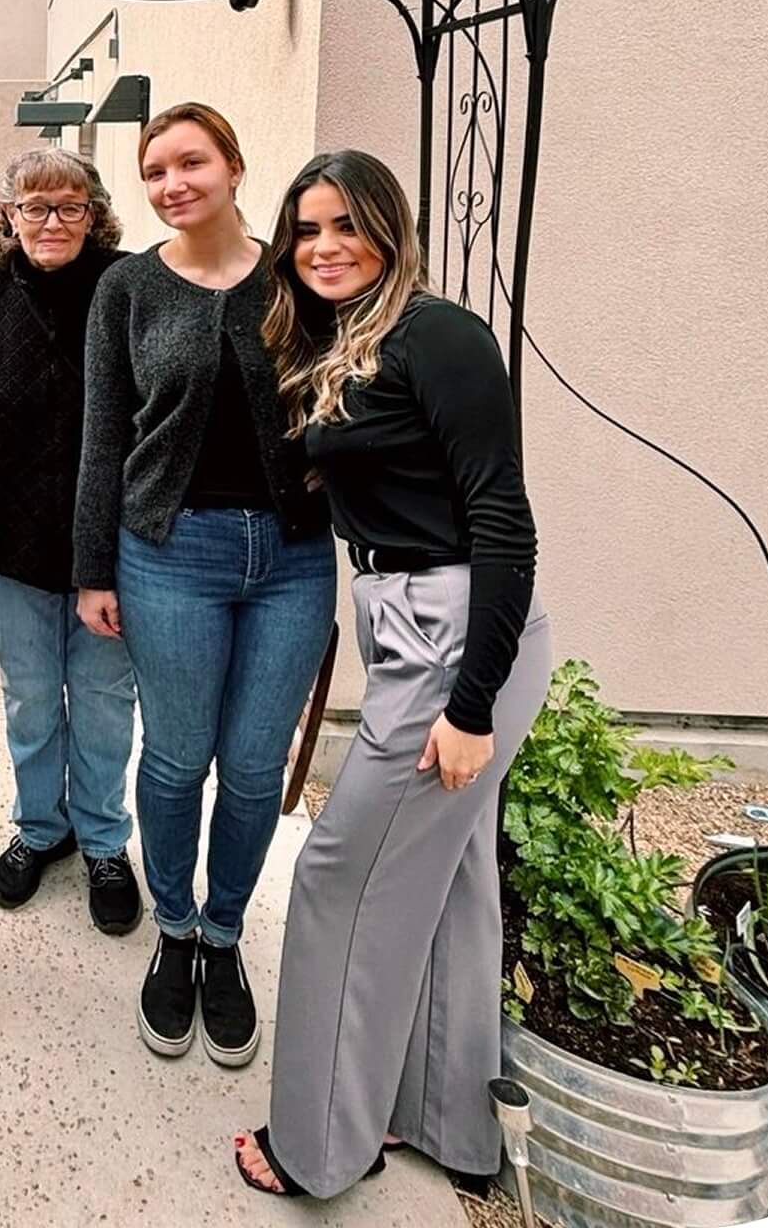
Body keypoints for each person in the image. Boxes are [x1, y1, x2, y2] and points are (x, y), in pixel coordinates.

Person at [233, 148, 553, 1201]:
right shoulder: (343, 340)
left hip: (456, 636)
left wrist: (470, 706)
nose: (323, 247)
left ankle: (319, 1144)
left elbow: (503, 515)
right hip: (409, 617)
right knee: (447, 878)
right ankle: (446, 1120)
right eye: (306, 230)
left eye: (346, 225)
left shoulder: (439, 334)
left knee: (339, 878)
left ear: (390, 228)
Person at [74, 104, 336, 1069]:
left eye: (190, 163)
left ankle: (225, 936)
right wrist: (92, 569)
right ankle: (175, 930)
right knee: (179, 758)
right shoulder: (128, 288)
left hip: (293, 559)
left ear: (233, 166)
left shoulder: (297, 277)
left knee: (257, 767)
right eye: (155, 171)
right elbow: (105, 431)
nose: (172, 184)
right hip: (169, 554)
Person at [0, 146, 141, 934]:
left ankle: (104, 841)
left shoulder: (127, 286)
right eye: (34, 206)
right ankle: (41, 828)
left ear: (94, 214)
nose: (52, 221)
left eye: (69, 206)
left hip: (111, 545)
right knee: (30, 695)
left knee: (104, 699)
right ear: (9, 215)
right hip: (10, 536)